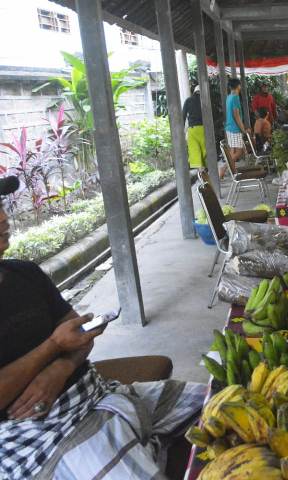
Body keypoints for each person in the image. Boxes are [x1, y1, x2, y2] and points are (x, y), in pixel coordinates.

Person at [0, 175, 206, 479]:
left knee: (221, 402)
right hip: (38, 434)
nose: (4, 217)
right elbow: (61, 340)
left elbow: (79, 333)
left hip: (97, 393)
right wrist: (53, 347)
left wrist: (61, 370)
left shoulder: (26, 273)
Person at [225, 78, 249, 173]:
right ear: (238, 86)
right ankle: (223, 169)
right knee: (239, 151)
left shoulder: (229, 96)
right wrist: (243, 129)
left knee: (233, 151)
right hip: (235, 128)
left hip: (229, 127)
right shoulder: (235, 97)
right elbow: (236, 115)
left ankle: (233, 170)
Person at [182, 85, 206, 169]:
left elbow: (183, 116)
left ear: (194, 92)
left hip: (193, 129)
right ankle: (206, 170)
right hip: (204, 129)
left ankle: (200, 170)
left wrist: (182, 130)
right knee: (205, 150)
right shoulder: (205, 100)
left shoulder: (188, 100)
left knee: (194, 150)